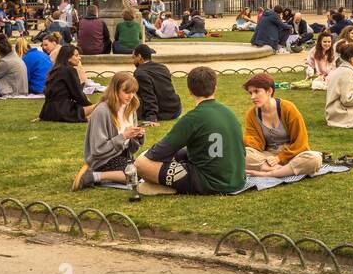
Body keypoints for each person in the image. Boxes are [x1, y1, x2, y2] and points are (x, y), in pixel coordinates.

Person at [135, 66, 246, 195]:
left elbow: (158, 153)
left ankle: (166, 187)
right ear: (215, 88)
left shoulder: (192, 118)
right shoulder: (229, 112)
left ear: (189, 91)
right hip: (237, 179)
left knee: (141, 163)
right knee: (182, 153)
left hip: (208, 182)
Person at [71, 72, 145, 191]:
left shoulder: (131, 107)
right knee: (136, 173)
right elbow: (98, 150)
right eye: (127, 92)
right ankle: (94, 176)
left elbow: (131, 148)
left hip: (123, 157)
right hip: (103, 160)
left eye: (133, 92)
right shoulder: (102, 111)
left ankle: (102, 176)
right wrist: (123, 136)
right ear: (115, 90)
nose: (131, 96)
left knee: (145, 168)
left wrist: (137, 136)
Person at [241, 72, 323, 178]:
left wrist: (280, 158)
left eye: (256, 91)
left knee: (315, 159)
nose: (252, 97)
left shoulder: (288, 108)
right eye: (250, 93)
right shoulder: (252, 114)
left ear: (269, 91)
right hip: (267, 156)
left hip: (292, 155)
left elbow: (301, 142)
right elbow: (255, 145)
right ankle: (279, 170)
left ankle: (270, 173)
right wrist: (239, 139)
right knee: (241, 154)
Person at [38, 44, 96, 122]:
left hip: (48, 111)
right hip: (63, 111)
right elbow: (78, 94)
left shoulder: (55, 70)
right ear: (68, 58)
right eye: (76, 55)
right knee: (100, 105)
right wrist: (91, 106)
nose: (79, 58)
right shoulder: (69, 70)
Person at [132, 44, 182, 122]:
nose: (133, 61)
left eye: (133, 57)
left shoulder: (139, 73)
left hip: (162, 112)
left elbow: (148, 95)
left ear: (139, 56)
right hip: (176, 109)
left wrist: (151, 117)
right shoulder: (163, 67)